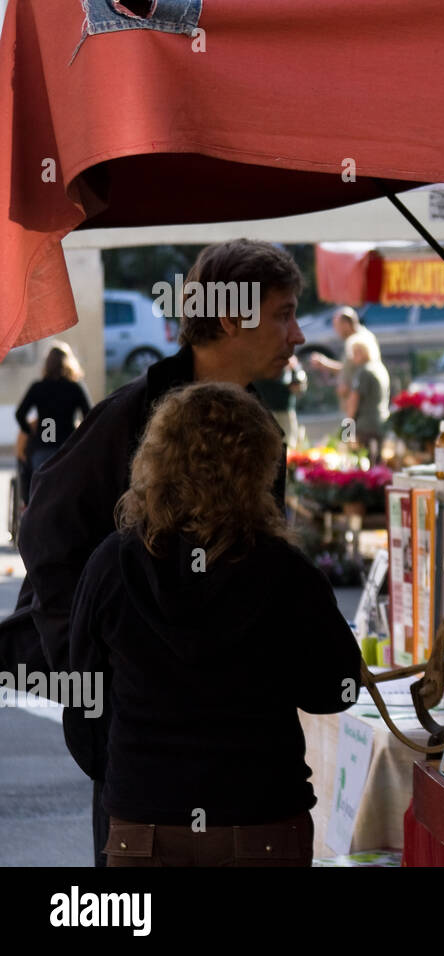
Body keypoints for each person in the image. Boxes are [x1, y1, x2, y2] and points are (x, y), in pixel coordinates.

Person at [0, 238, 305, 866]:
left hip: (237, 757)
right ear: (230, 317)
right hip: (140, 753)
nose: (298, 333)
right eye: (283, 313)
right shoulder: (131, 415)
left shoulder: (258, 423)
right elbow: (45, 533)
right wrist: (89, 670)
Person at [68, 383, 361, 867]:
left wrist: (133, 778)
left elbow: (82, 706)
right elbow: (337, 689)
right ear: (257, 469)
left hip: (144, 825)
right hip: (261, 820)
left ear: (155, 460)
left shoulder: (111, 565)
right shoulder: (286, 572)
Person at [14, 342, 91, 504]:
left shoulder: (38, 387)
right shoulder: (75, 388)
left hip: (42, 447)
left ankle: (29, 506)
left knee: (34, 485)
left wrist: (30, 431)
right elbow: (90, 417)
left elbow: (20, 414)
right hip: (67, 449)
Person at [309, 306, 381, 413]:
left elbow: (361, 370)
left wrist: (325, 364)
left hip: (360, 405)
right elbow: (349, 368)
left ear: (346, 324)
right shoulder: (358, 338)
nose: (335, 330)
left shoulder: (358, 341)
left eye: (336, 326)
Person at [345, 338, 389, 460]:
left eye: (355, 352)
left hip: (365, 425)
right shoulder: (380, 368)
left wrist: (346, 432)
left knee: (361, 462)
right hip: (381, 422)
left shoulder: (364, 371)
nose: (352, 357)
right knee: (378, 461)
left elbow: (353, 401)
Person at [253, 353, 308, 448]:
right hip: (262, 409)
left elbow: (299, 385)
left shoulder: (287, 355)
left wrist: (293, 370)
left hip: (284, 409)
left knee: (288, 445)